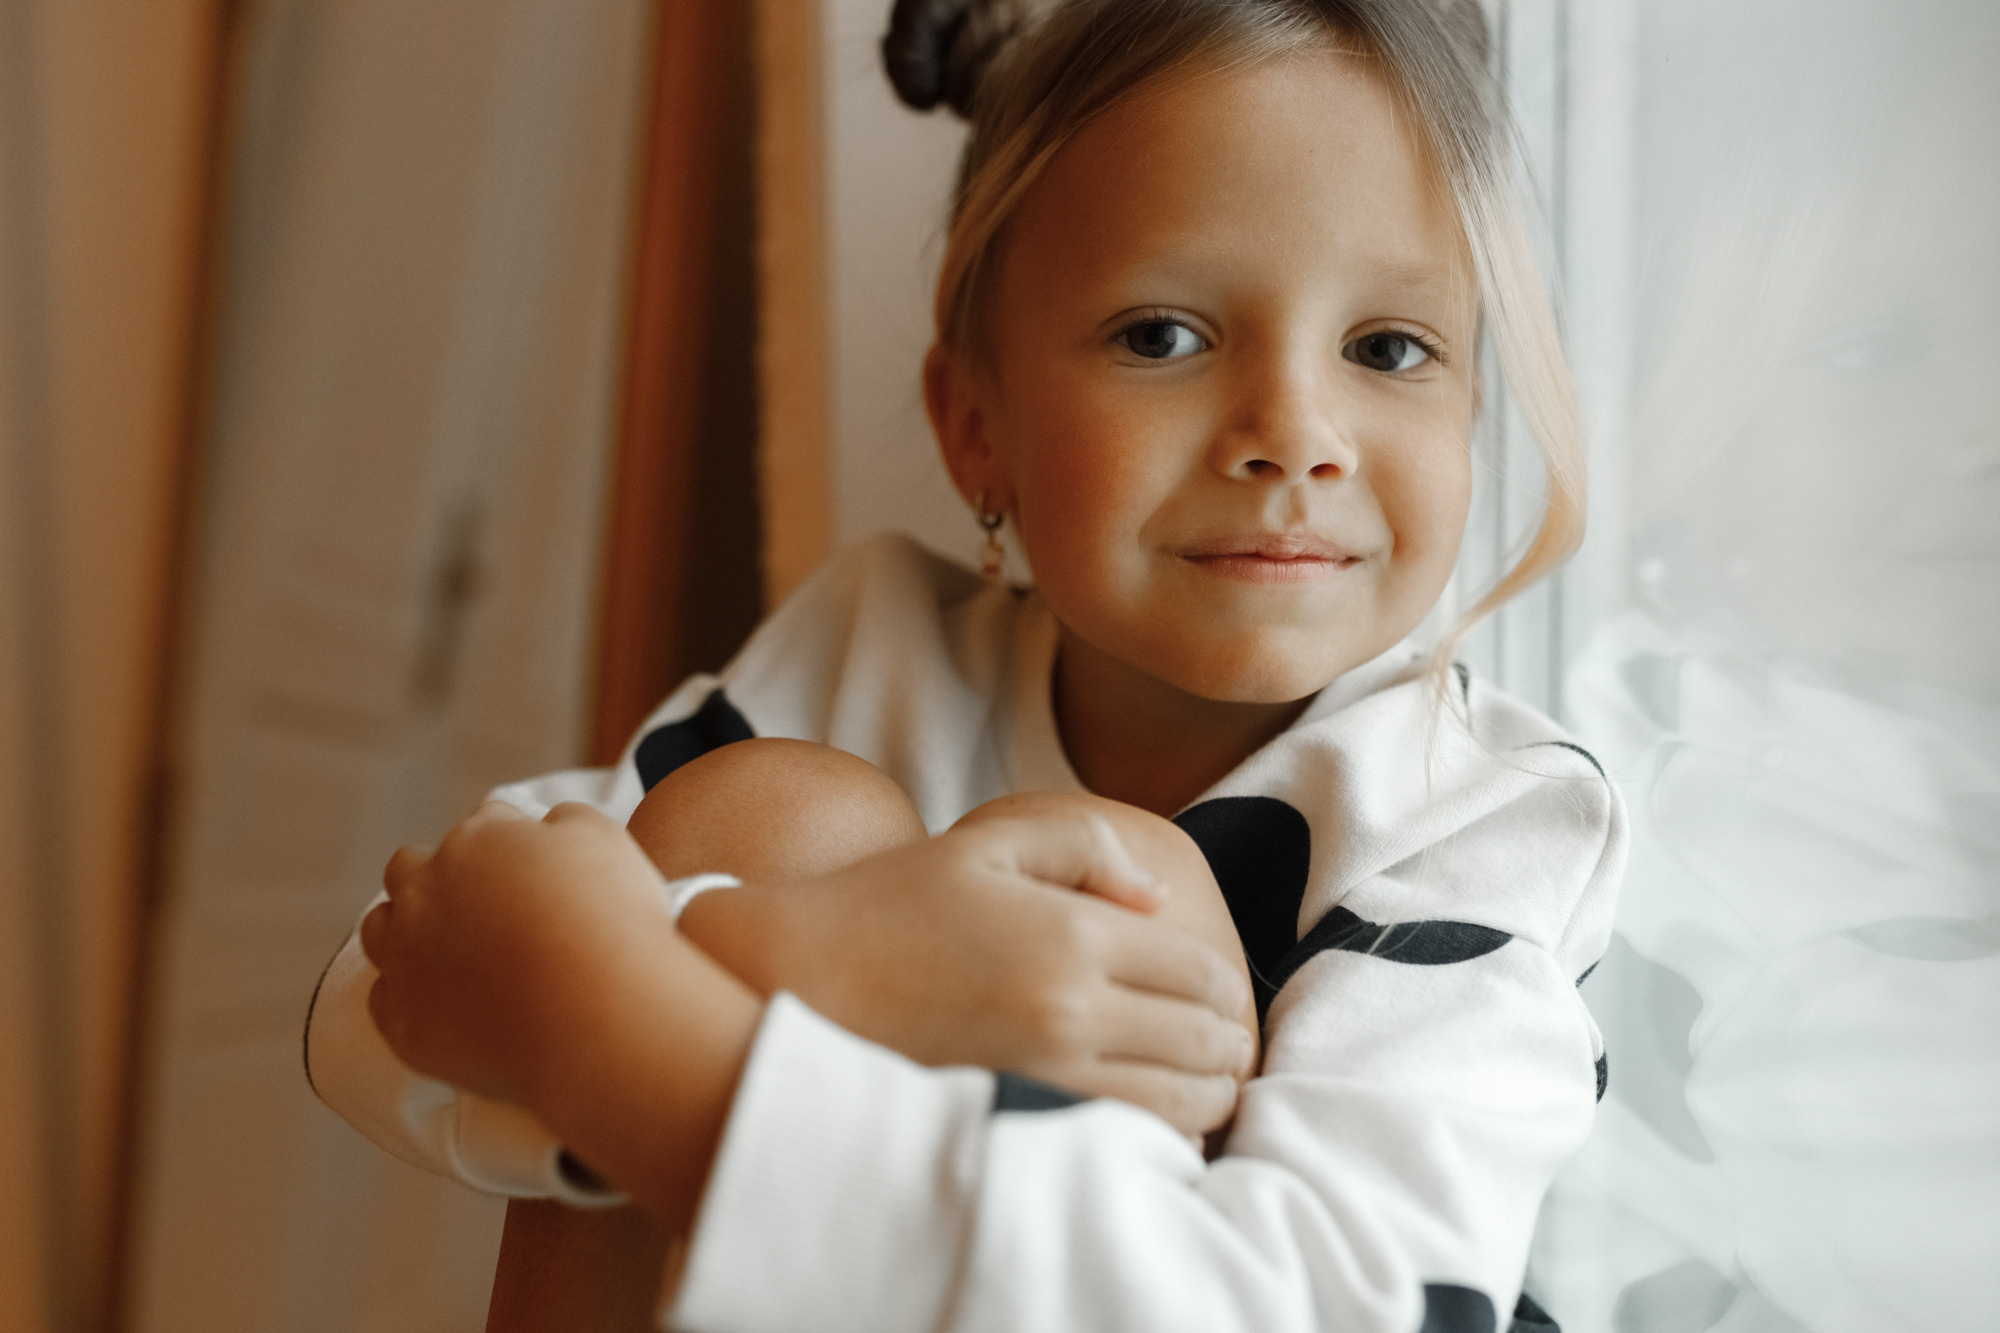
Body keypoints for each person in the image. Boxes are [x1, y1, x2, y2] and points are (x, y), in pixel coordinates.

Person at [310, 1, 1626, 1329]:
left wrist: (632, 1029)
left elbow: (1311, 1308)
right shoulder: (869, 659)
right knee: (770, 813)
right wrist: (814, 954)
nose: (1294, 436)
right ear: (975, 426)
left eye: (1389, 348)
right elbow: (400, 972)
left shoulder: (1482, 825)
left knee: (1135, 894)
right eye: (1163, 336)